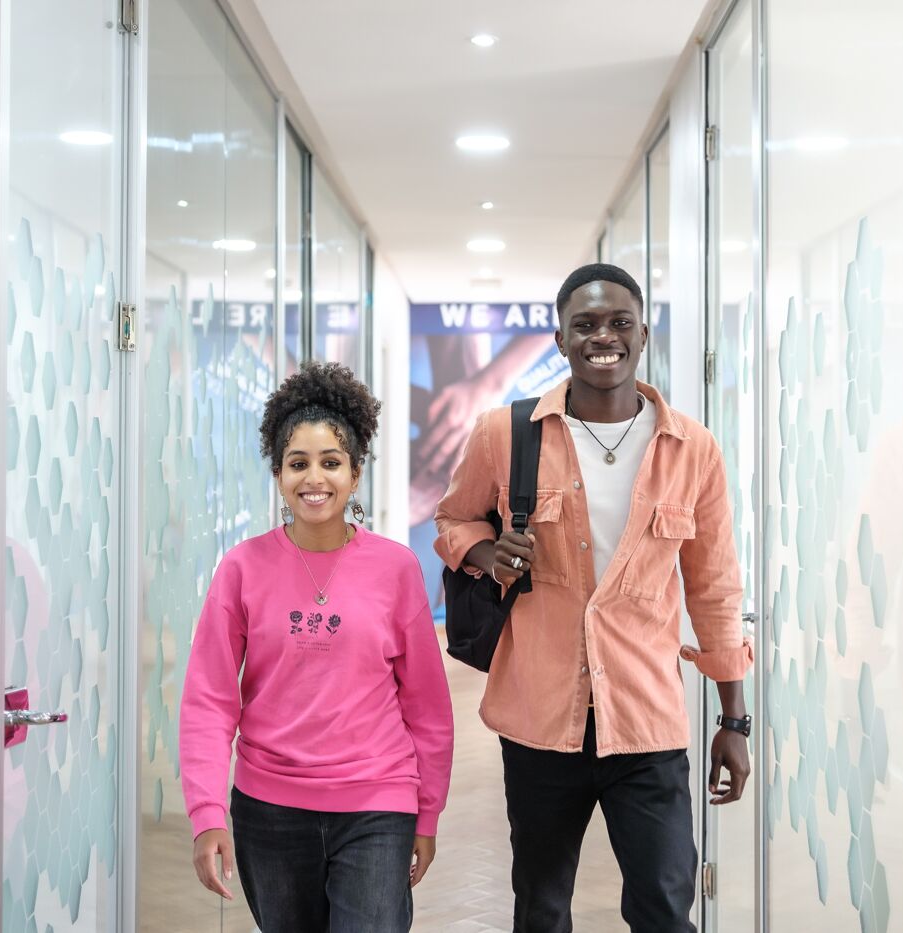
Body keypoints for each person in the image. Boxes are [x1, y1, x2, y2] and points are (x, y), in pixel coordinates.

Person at [434, 263, 754, 933]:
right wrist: (489, 553)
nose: (601, 336)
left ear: (643, 334)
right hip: (540, 719)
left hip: (646, 721)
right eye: (584, 324)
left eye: (618, 323)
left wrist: (734, 720)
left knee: (665, 908)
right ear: (559, 338)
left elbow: (714, 584)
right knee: (542, 908)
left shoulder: (693, 449)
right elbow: (454, 519)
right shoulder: (506, 432)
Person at [181, 361, 454, 932]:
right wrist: (207, 813)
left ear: (356, 474)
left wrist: (426, 814)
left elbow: (427, 709)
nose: (315, 478)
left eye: (331, 463)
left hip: (377, 803)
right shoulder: (241, 569)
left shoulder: (397, 569)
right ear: (278, 473)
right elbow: (208, 700)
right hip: (269, 810)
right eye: (297, 463)